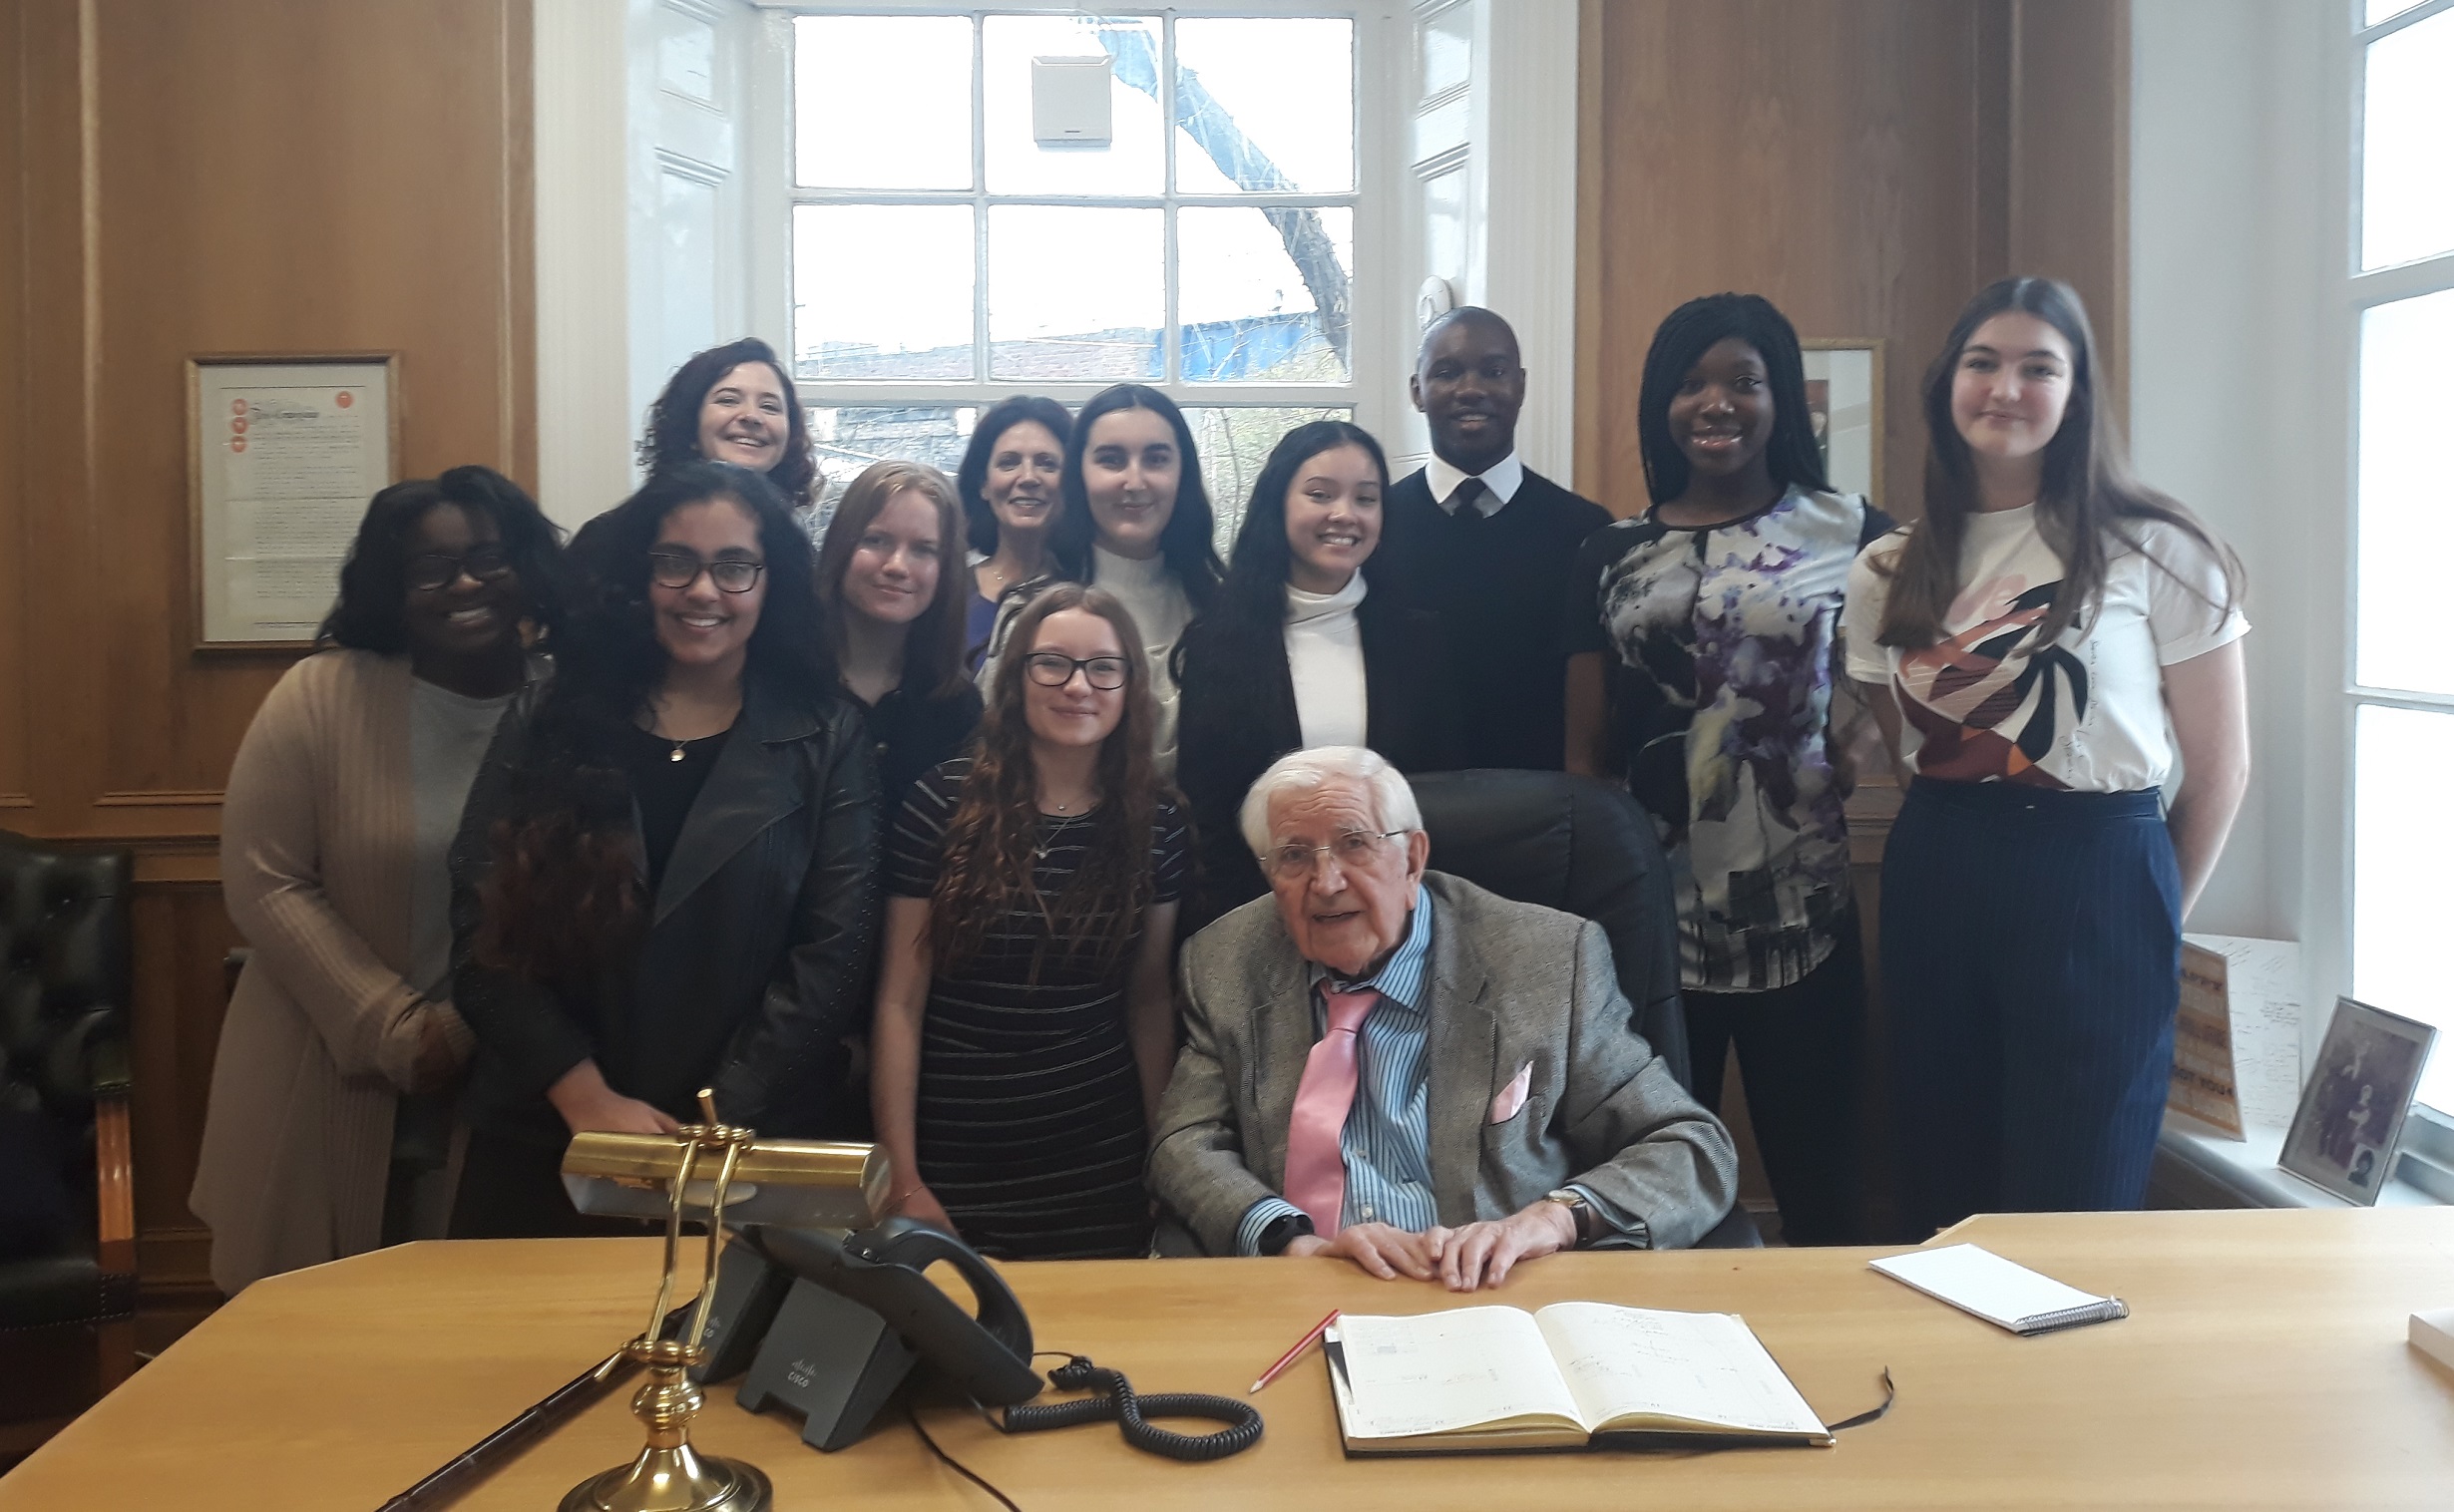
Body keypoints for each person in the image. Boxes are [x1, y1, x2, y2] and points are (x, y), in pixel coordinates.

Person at [1845, 276, 2250, 1239]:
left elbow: (2220, 769)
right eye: (1984, 363)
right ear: (1949, 383)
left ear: (2076, 395)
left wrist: (2145, 914)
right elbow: (1908, 750)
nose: (2007, 388)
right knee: (1941, 1186)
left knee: (2080, 1198)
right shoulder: (1887, 567)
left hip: (2102, 873)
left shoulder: (2157, 548)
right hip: (1941, 864)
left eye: (2040, 368)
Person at [447, 461, 879, 1238]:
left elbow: (833, 955)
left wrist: (712, 1121)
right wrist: (585, 1098)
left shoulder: (827, 733)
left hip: (746, 1149)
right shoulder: (548, 714)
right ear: (639, 575)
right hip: (548, 1140)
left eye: (734, 566)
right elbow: (479, 930)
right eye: (676, 562)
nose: (704, 592)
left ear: (770, 581)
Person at [1149, 747, 1738, 1290]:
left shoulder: (1549, 961)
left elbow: (1688, 1145)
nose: (1325, 883)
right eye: (1294, 857)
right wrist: (1285, 1240)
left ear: (1412, 860)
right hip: (1307, 1291)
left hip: (1486, 1293)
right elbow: (1185, 1142)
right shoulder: (1223, 961)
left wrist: (1553, 1221)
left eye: (1355, 843)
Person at [1562, 294, 1892, 1247]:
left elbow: (1906, 678)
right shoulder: (1607, 554)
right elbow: (1584, 755)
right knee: (1651, 1196)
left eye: (1743, 382)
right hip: (1650, 928)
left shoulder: (1857, 531)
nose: (1717, 403)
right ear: (1661, 404)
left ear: (1780, 398)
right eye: (1691, 383)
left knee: (1824, 1184)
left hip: (1806, 913)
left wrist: (1858, 750)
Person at [193, 467, 566, 1294]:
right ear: (391, 588)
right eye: (429, 569)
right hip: (322, 1068)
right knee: (306, 1363)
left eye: (489, 558)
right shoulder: (320, 696)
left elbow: (583, 902)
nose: (464, 583)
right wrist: (394, 1030)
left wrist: (463, 1029)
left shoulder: (572, 705)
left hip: (506, 1082)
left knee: (470, 1347)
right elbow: (267, 881)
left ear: (529, 567)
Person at [871, 585, 1186, 1259]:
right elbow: (900, 1001)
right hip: (953, 1149)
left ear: (1131, 685)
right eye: (1053, 664)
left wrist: (1165, 1155)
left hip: (1099, 1157)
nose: (1078, 686)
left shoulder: (1157, 821)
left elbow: (1151, 1001)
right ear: (1016, 677)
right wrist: (900, 1174)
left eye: (1104, 667)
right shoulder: (940, 803)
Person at [1175, 421, 1459, 932]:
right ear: (1278, 505)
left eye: (1366, 499)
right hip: (1258, 915)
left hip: (1393, 918)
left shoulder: (1420, 642)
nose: (1344, 515)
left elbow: (1436, 798)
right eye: (1319, 494)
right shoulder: (1219, 640)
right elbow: (1210, 814)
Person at [1372, 308, 1611, 771]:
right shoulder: (1377, 527)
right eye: (1447, 372)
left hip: (1542, 816)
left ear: (1520, 386)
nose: (1471, 389)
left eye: (1493, 371)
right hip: (1402, 809)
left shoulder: (1585, 532)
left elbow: (1595, 702)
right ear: (1417, 391)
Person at [1011, 383, 1223, 777]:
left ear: (1183, 474)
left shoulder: (1218, 607)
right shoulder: (1029, 609)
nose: (1135, 481)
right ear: (1079, 475)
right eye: (1111, 460)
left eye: (1156, 459)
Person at [818, 459, 983, 814]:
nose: (896, 565)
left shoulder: (959, 708)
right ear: (840, 547)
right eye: (876, 540)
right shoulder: (780, 684)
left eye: (923, 549)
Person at [636, 336, 824, 530]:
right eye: (728, 400)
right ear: (689, 422)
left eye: (769, 406)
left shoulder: (792, 541)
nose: (752, 416)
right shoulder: (625, 535)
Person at [955, 396, 1070, 670]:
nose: (1028, 477)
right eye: (1009, 463)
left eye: (1047, 464)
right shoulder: (948, 592)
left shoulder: (1092, 590)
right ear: (983, 484)